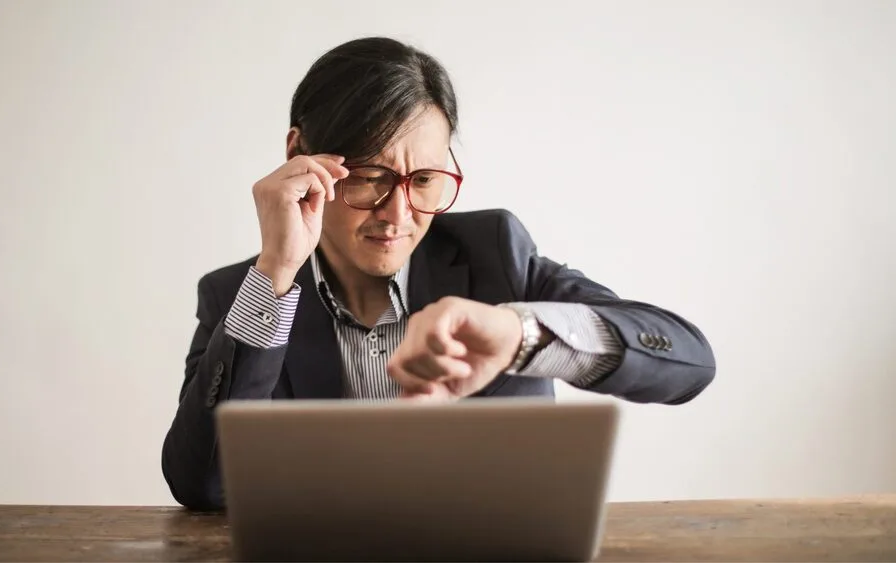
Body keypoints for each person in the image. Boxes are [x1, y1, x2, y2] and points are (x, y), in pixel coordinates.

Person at [161, 36, 716, 510]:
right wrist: (277, 274)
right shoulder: (239, 294)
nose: (398, 216)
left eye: (424, 179)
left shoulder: (495, 253)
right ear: (300, 157)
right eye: (370, 176)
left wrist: (520, 337)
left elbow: (687, 361)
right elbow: (202, 485)